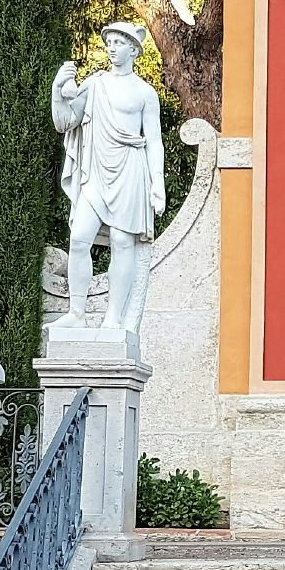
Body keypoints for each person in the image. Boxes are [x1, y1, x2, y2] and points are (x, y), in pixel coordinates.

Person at [53, 22, 167, 337]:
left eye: (119, 42)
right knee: (78, 238)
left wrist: (158, 185)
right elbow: (66, 122)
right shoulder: (94, 84)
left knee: (121, 242)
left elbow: (154, 141)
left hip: (130, 170)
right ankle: (76, 313)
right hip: (96, 170)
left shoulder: (145, 92)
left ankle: (113, 317)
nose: (112, 48)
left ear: (134, 49)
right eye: (110, 42)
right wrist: (58, 92)